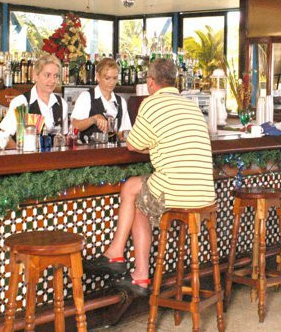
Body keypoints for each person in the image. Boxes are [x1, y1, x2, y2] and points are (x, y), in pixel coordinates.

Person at [85, 58, 216, 295]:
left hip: (177, 190)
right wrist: (158, 146)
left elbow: (133, 145)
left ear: (150, 82)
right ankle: (137, 274)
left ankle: (117, 254)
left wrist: (153, 147)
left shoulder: (151, 103)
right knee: (140, 199)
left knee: (130, 188)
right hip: (205, 193)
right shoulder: (192, 106)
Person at [0, 54, 68, 146]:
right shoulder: (21, 102)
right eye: (47, 75)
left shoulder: (62, 103)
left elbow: (64, 136)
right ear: (36, 75)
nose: (52, 81)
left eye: (56, 76)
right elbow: (3, 136)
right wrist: (18, 152)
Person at [70, 57, 131, 142]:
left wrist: (125, 134)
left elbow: (123, 132)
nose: (112, 82)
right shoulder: (87, 97)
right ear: (98, 77)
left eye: (115, 78)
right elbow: (75, 126)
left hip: (114, 149)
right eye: (107, 78)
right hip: (89, 149)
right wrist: (94, 119)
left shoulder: (121, 102)